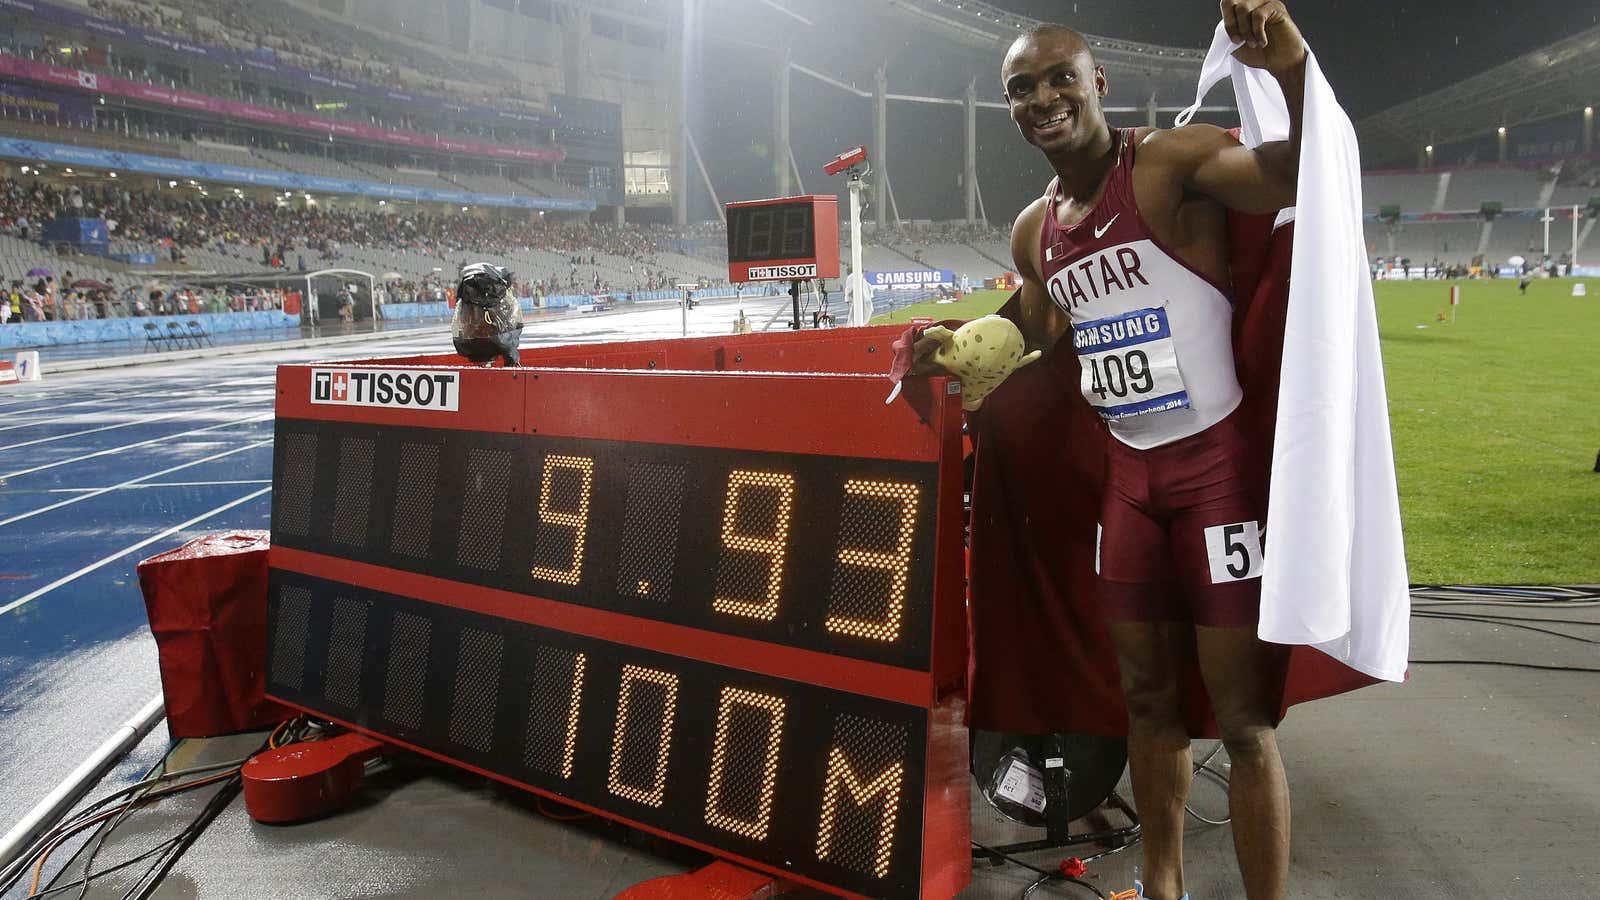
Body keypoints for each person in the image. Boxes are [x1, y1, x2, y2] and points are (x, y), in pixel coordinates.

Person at [937, 4, 1310, 899]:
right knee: (1146, 705)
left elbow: (1296, 171)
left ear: (1099, 82)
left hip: (1215, 472)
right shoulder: (1037, 228)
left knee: (1247, 721)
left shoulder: (1169, 166)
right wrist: (949, 346)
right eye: (1021, 89)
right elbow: (1035, 321)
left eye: (1061, 76)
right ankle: (1164, 886)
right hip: (1130, 486)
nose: (1043, 98)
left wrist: (1290, 68)